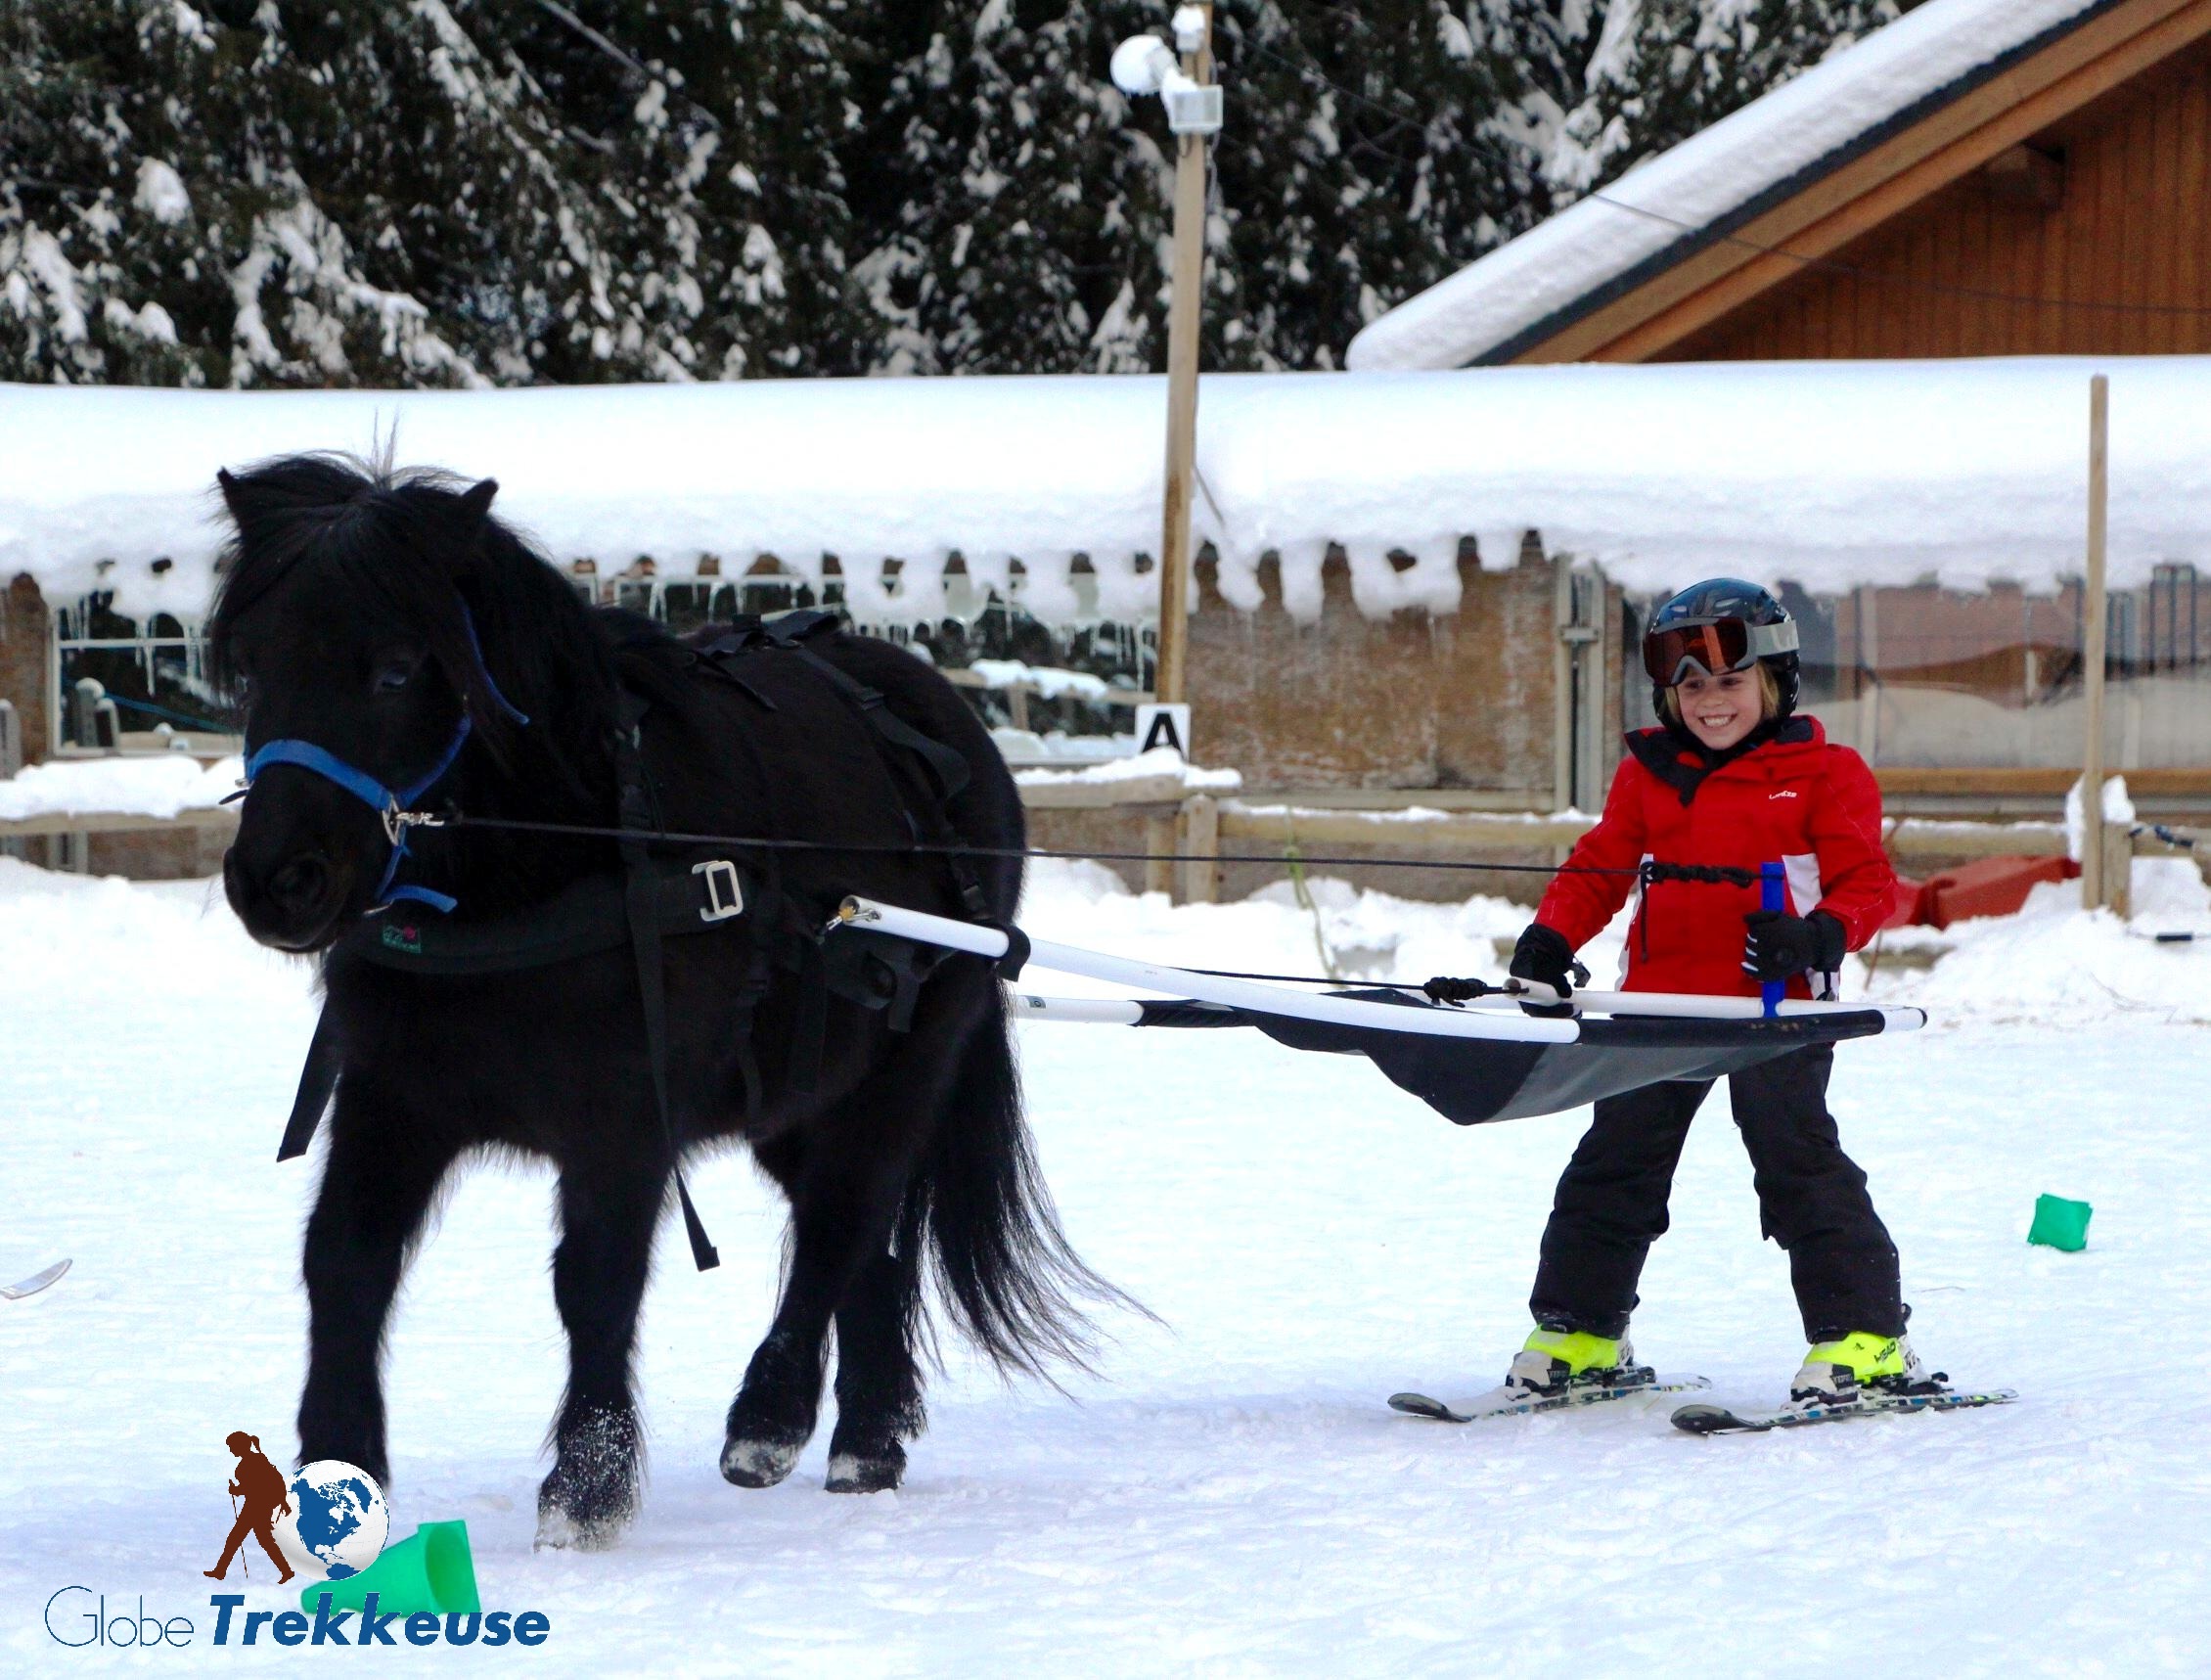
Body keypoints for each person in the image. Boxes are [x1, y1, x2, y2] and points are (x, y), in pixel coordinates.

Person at [1498, 578, 1923, 1410]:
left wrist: (1821, 933)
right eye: (1690, 685)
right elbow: (1598, 868)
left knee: (1795, 1160)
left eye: (1728, 680)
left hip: (1778, 1012)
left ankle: (1865, 1338)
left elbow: (1868, 881)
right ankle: (1581, 1330)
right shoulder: (1648, 775)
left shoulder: (1823, 774)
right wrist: (1551, 938)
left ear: (1773, 681)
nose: (1708, 700)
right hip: (1660, 1007)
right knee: (1614, 1165)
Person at [205, 1430, 295, 1584]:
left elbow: (254, 1487)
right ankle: (286, 1571)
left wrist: (236, 1490)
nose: (231, 1450)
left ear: (240, 1446)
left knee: (242, 1539)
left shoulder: (252, 1462)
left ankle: (221, 1571)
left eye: (232, 1446)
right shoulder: (256, 1460)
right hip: (257, 1505)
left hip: (257, 1506)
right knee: (254, 1540)